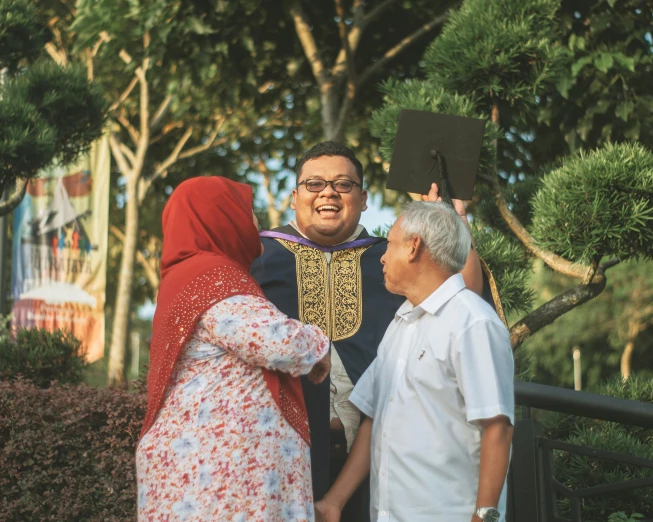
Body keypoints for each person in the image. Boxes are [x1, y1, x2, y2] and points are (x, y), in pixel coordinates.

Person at [250, 141, 496, 521]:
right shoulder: (259, 258)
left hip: (380, 459)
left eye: (343, 185)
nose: (328, 192)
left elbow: (462, 298)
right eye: (314, 184)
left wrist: (452, 226)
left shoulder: (392, 257)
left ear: (364, 198)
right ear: (294, 196)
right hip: (278, 458)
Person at [136, 176, 332, 522]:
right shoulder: (212, 275)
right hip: (219, 476)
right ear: (220, 217)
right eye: (248, 212)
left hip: (210, 473)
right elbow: (276, 341)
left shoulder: (189, 275)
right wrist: (318, 346)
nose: (256, 223)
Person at [315, 201, 515, 522]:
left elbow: (497, 429)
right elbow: (373, 418)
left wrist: (485, 517)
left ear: (413, 247)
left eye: (390, 244)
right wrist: (334, 502)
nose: (382, 255)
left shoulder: (472, 322)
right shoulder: (401, 323)